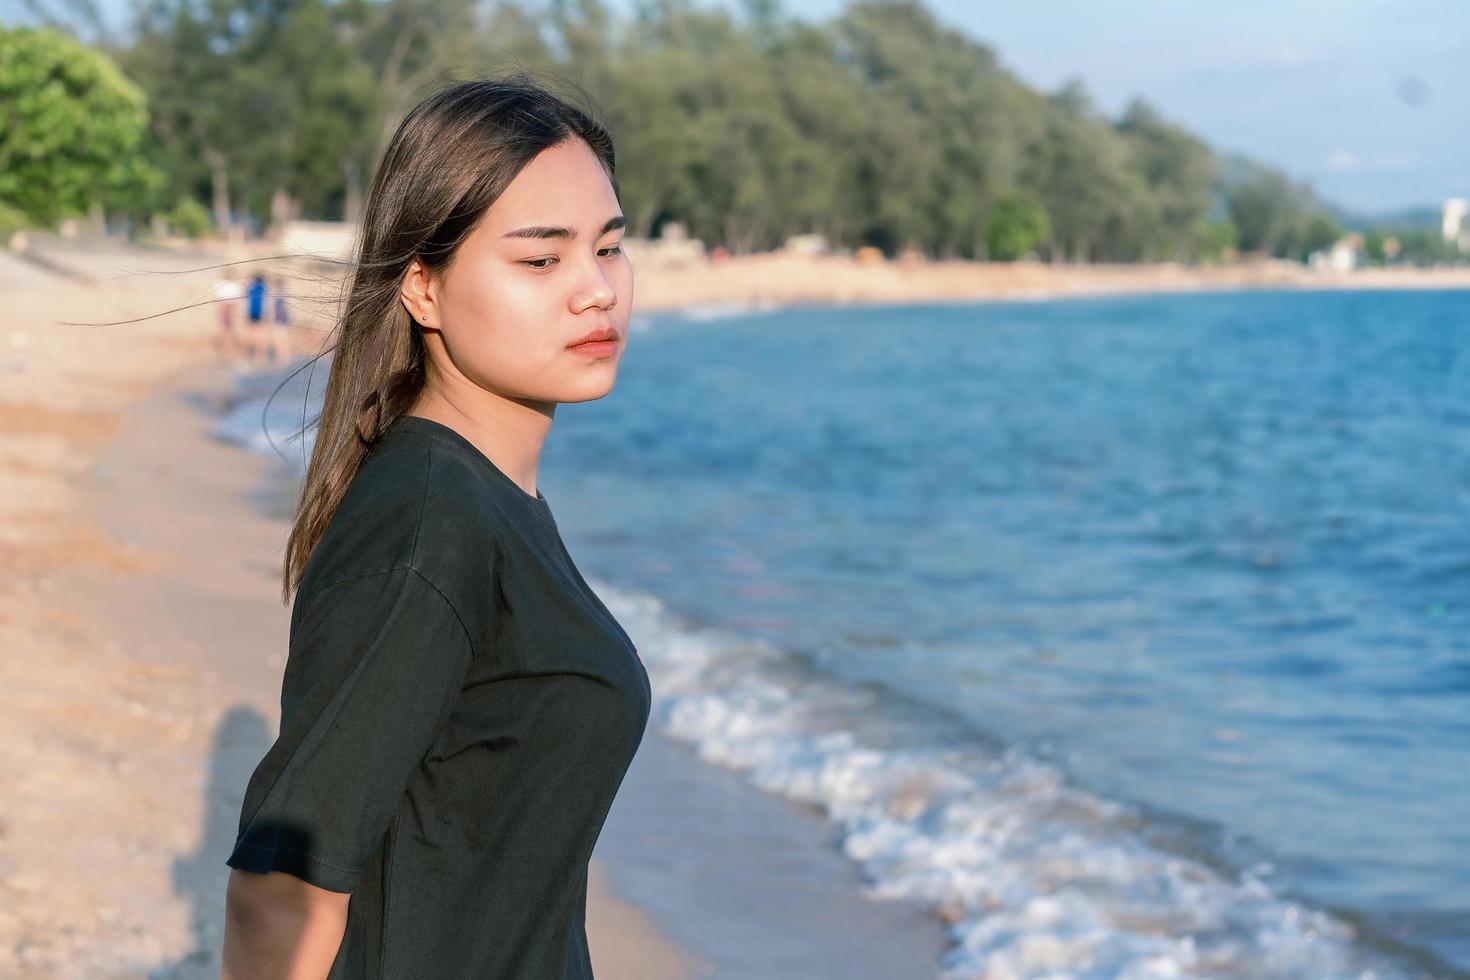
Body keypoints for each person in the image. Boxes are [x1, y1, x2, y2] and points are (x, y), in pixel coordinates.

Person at [220, 74, 647, 979]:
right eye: (542, 260)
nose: (595, 291)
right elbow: (282, 885)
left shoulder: (491, 497)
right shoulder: (429, 525)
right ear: (422, 286)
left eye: (609, 249)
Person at [212, 273, 245, 355]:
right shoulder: (225, 284)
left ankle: (227, 345)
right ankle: (225, 345)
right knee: (226, 327)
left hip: (228, 306)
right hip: (226, 306)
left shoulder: (227, 285)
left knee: (227, 326)